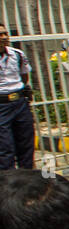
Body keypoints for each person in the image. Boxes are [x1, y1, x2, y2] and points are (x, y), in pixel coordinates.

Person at [0, 26, 34, 170]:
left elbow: (24, 76)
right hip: (1, 106)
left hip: (19, 103)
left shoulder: (17, 54)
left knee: (26, 142)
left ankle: (26, 179)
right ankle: (8, 184)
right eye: (0, 34)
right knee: (5, 147)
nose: (4, 37)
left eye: (5, 33)